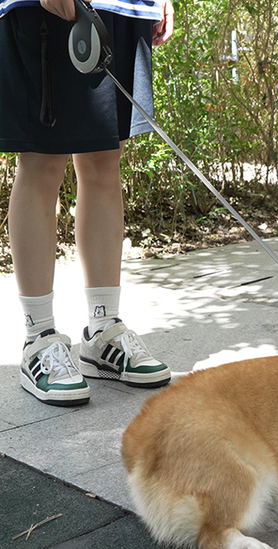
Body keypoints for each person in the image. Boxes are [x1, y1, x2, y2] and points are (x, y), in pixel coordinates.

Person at [0, 0, 175, 406]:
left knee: (104, 162)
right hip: (47, 9)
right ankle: (39, 338)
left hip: (123, 8)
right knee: (42, 160)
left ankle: (102, 330)